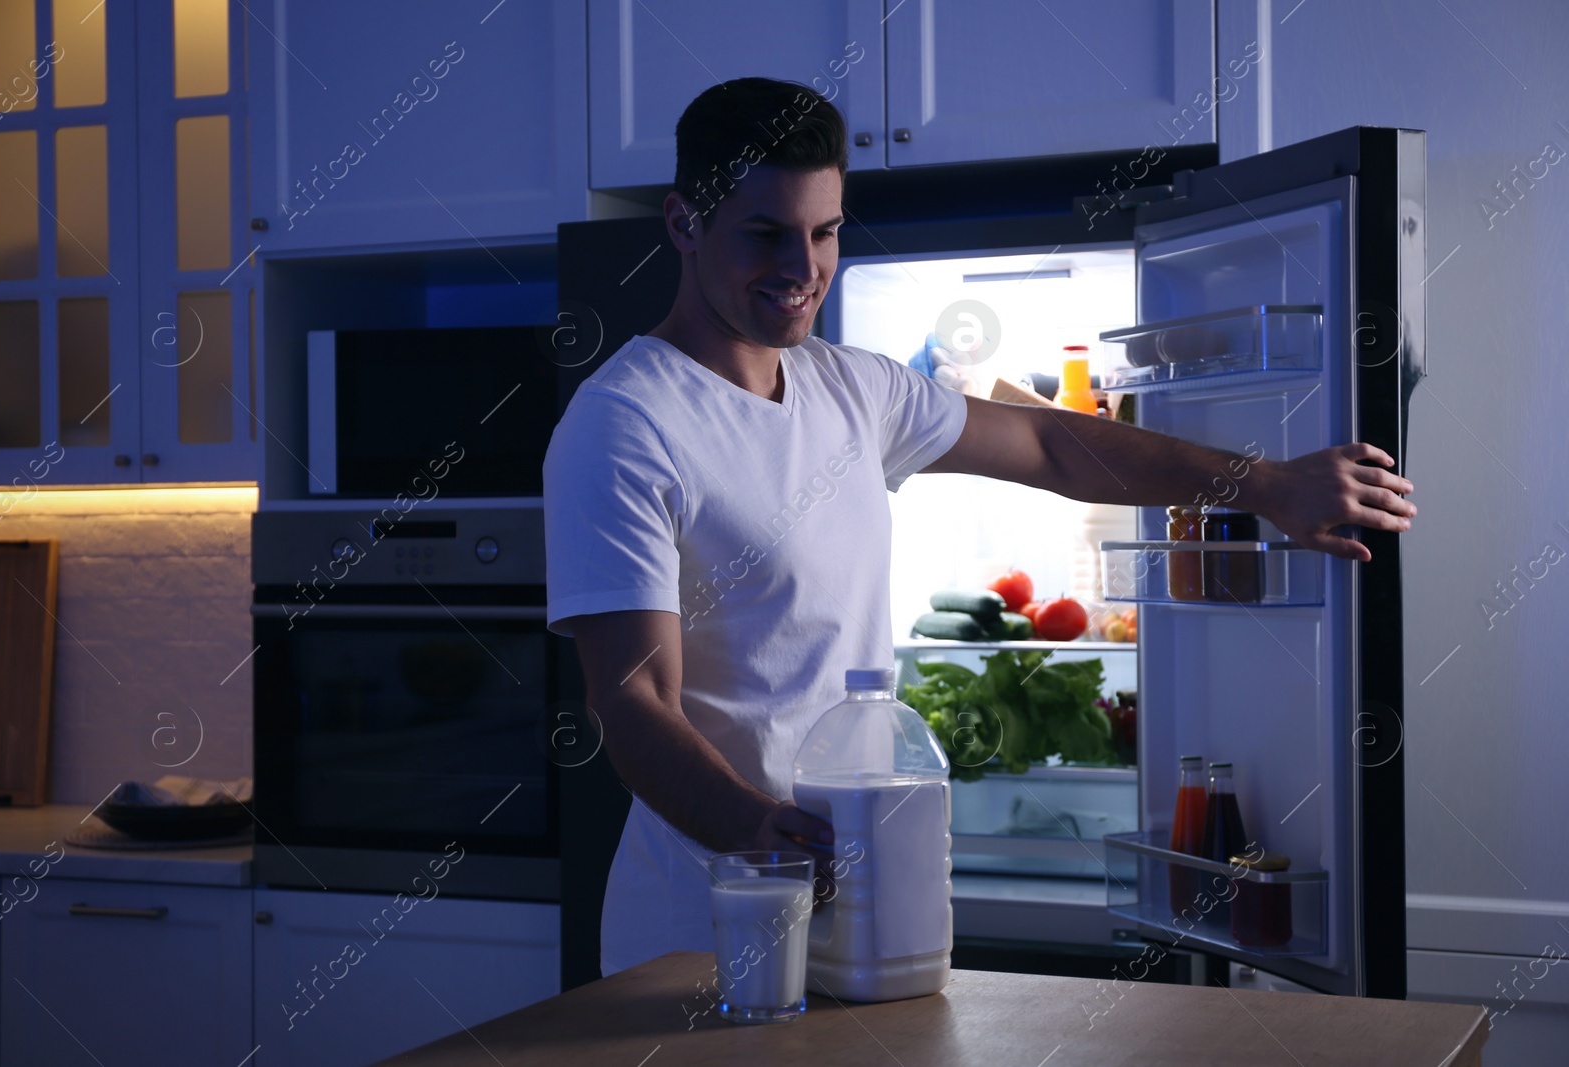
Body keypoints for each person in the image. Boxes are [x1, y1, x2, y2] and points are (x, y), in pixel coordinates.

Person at [543, 78, 1415, 976]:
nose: (803, 268)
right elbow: (632, 701)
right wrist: (760, 833)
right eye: (765, 234)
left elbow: (1049, 440)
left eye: (826, 231)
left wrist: (1263, 484)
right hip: (710, 919)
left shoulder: (852, 388)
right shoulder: (625, 425)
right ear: (685, 222)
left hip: (870, 903)